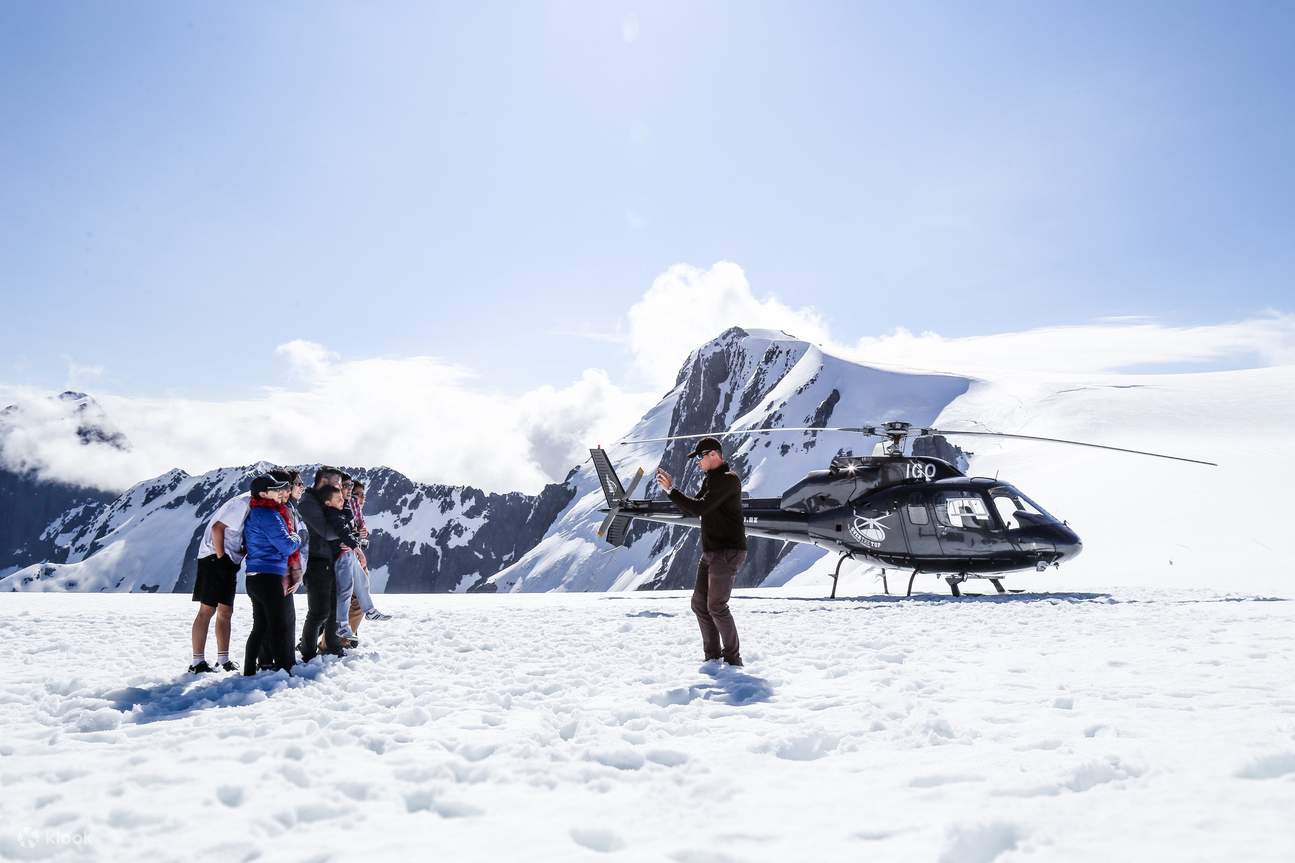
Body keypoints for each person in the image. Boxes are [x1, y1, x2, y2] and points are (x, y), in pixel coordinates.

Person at [655, 437, 748, 667]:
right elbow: (693, 506)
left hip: (727, 552)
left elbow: (700, 508)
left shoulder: (728, 480)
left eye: (700, 457)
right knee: (699, 604)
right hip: (712, 552)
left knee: (716, 606)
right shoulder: (711, 481)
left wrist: (671, 490)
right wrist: (672, 492)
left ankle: (733, 660)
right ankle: (712, 657)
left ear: (713, 455)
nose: (697, 462)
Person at [242, 473, 302, 675]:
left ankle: (249, 669)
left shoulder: (255, 513)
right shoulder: (269, 514)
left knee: (260, 626)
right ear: (263, 494)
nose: (279, 492)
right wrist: (297, 537)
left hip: (254, 577)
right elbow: (286, 546)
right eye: (274, 489)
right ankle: (284, 669)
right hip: (270, 577)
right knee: (279, 625)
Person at [188, 483, 252, 673]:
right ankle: (197, 662)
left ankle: (223, 659)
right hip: (214, 557)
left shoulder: (258, 504)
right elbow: (217, 528)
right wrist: (221, 557)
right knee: (207, 609)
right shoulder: (243, 503)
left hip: (229, 559)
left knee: (226, 611)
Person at [258, 469, 307, 671]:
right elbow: (287, 542)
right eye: (294, 484)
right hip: (280, 571)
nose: (298, 488)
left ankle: (275, 661)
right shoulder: (280, 510)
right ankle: (280, 663)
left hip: (285, 570)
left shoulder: (288, 508)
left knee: (279, 617)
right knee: (280, 618)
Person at [297, 467, 347, 660]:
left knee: (333, 608)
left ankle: (332, 647)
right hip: (315, 562)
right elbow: (325, 530)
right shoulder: (308, 502)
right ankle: (308, 653)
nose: (340, 489)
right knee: (318, 612)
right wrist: (347, 534)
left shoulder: (324, 501)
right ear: (324, 482)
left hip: (329, 561)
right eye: (337, 484)